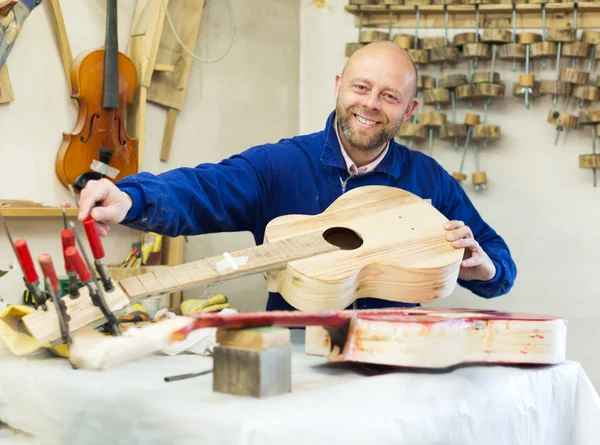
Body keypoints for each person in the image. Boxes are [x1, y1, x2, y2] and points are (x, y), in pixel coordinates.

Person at [77, 41, 517, 311]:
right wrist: (130, 198)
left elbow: (498, 261)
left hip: (394, 363)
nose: (370, 104)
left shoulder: (430, 182)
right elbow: (202, 188)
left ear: (409, 110)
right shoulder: (279, 165)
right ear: (339, 86)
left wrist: (482, 267)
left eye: (389, 96)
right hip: (294, 360)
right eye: (361, 88)